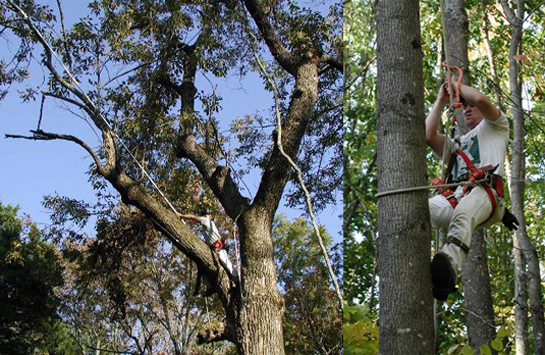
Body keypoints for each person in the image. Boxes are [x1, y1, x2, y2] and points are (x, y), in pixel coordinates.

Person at [425, 78, 518, 301]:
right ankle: (425, 269)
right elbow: (428, 136)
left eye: (470, 106)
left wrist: (455, 86)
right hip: (457, 197)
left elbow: (481, 99)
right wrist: (440, 99)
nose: (467, 109)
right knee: (420, 209)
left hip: (486, 193)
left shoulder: (496, 126)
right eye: (464, 107)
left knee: (463, 213)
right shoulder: (457, 143)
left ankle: (448, 270)